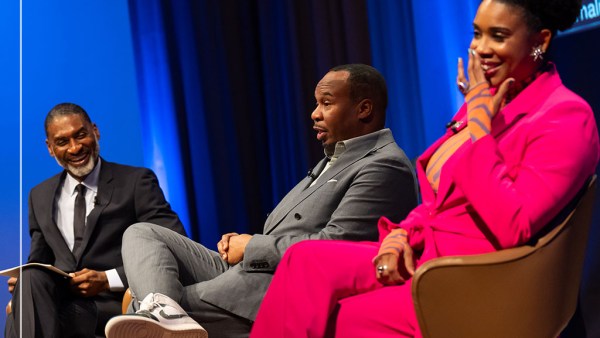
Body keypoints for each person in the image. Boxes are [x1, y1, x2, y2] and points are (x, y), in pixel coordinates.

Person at [249, 0, 600, 337]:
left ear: (540, 41)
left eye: (499, 35)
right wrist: (401, 234)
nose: (480, 48)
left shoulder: (564, 116)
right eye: (477, 34)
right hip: (426, 255)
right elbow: (440, 200)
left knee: (342, 316)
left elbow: (515, 224)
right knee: (303, 261)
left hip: (476, 279)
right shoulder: (486, 103)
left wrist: (479, 127)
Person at [104, 64, 418, 338]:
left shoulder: (383, 165)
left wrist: (251, 246)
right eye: (316, 103)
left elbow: (334, 247)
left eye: (326, 103)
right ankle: (163, 312)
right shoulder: (334, 159)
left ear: (364, 109)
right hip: (250, 270)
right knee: (142, 233)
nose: (314, 113)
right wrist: (243, 244)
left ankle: (162, 313)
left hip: (280, 287)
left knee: (136, 310)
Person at [4, 103, 187, 338]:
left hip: (115, 301)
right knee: (28, 282)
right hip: (61, 300)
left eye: (80, 135)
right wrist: (24, 288)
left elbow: (176, 246)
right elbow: (39, 260)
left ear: (95, 131)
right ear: (50, 148)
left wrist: (106, 279)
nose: (75, 147)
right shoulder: (39, 195)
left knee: (20, 318)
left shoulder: (136, 182)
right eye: (62, 142)